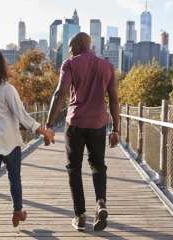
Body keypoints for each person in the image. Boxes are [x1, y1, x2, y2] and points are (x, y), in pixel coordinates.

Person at [0, 49, 55, 240]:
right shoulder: (7, 89)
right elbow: (22, 116)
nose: (8, 65)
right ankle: (18, 211)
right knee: (14, 179)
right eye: (5, 63)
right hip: (9, 143)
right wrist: (43, 130)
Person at [46, 32, 120, 231]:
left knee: (74, 169)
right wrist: (116, 129)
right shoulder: (108, 66)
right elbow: (114, 99)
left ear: (79, 45)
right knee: (98, 166)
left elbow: (60, 92)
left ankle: (79, 216)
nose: (69, 51)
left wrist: (49, 124)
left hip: (76, 123)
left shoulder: (70, 64)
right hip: (98, 124)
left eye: (70, 47)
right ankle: (101, 203)